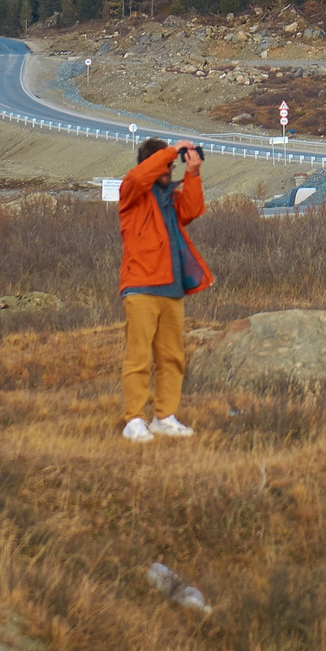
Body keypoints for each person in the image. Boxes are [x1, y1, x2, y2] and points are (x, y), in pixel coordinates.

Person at [116, 136, 212, 442]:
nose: (169, 169)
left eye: (171, 165)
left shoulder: (170, 198)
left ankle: (164, 416)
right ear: (150, 162)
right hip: (141, 287)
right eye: (166, 164)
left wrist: (192, 173)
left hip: (171, 289)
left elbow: (193, 210)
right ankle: (134, 419)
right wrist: (172, 149)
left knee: (172, 356)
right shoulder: (131, 192)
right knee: (139, 356)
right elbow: (139, 175)